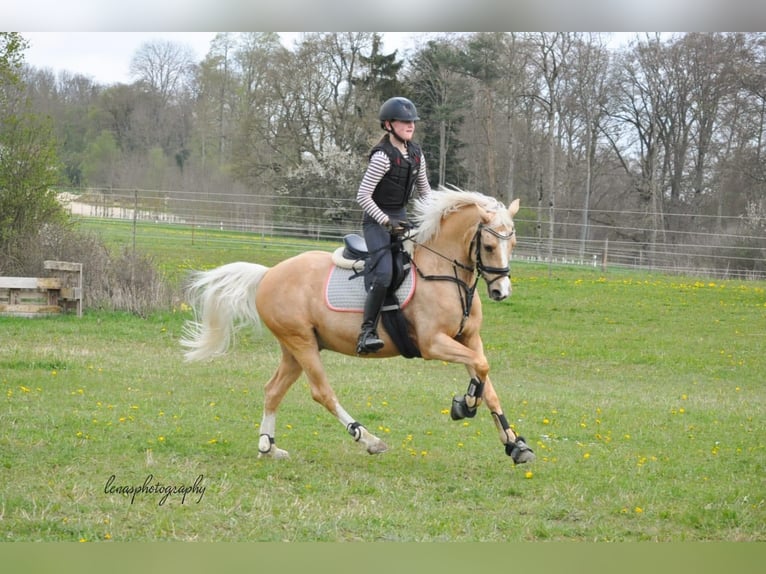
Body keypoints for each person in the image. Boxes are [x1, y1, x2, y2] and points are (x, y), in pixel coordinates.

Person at [355, 96, 432, 354]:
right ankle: (367, 331)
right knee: (385, 273)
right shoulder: (382, 158)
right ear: (388, 125)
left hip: (401, 220)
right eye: (404, 121)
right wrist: (386, 221)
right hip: (377, 223)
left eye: (412, 121)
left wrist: (438, 216)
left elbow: (425, 193)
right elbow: (363, 196)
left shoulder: (416, 154)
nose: (410, 125)